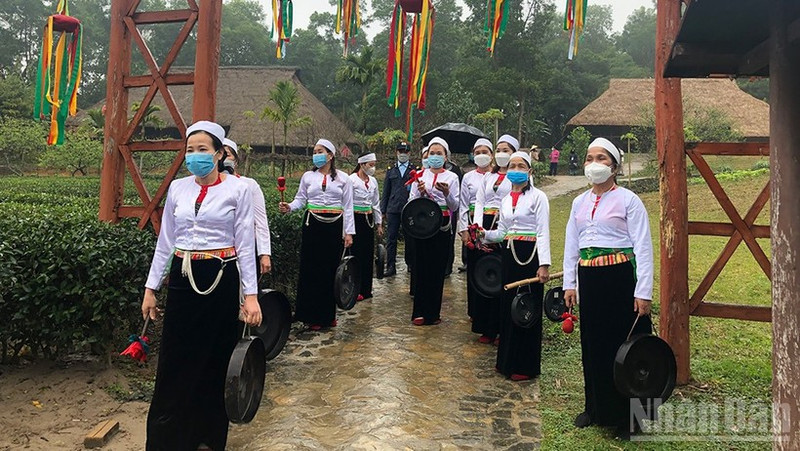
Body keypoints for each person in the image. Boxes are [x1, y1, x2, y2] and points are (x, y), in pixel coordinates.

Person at [141, 121, 261, 450]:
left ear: (220, 153)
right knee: (175, 359)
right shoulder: (178, 189)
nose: (195, 156)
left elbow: (244, 245)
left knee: (216, 359)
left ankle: (208, 437)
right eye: (190, 150)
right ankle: (168, 440)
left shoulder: (238, 190)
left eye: (202, 149)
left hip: (221, 278)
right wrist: (151, 289)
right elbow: (165, 242)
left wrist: (250, 296)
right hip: (183, 279)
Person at [563, 137, 653, 438]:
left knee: (624, 346)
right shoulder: (579, 202)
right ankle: (596, 408)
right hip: (589, 279)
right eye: (590, 158)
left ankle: (631, 419)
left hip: (620, 279)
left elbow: (643, 247)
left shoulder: (629, 200)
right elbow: (572, 245)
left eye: (601, 158)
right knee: (593, 343)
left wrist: (643, 292)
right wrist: (570, 284)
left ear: (614, 166)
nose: (594, 164)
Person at [482, 151, 550, 382]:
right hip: (509, 256)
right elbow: (502, 232)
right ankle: (506, 361)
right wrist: (483, 234)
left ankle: (525, 365)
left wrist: (544, 264)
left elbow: (543, 231)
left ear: (530, 171)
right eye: (512, 166)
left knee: (527, 307)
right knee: (509, 306)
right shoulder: (504, 200)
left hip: (530, 257)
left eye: (521, 166)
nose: (516, 170)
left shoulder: (539, 197)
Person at [279, 139, 355, 330]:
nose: (316, 155)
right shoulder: (308, 177)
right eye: (314, 151)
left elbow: (348, 207)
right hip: (312, 224)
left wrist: (348, 233)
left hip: (334, 226)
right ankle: (309, 315)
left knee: (330, 269)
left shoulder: (344, 179)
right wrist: (289, 207)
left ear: (330, 155)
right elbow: (300, 199)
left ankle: (328, 316)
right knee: (310, 268)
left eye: (320, 151)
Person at [407, 137, 460, 325]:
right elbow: (411, 202)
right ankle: (419, 312)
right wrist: (421, 192)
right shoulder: (419, 175)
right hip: (422, 225)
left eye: (439, 153)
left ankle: (433, 313)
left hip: (442, 224)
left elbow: (454, 206)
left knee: (437, 268)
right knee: (421, 266)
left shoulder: (452, 177)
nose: (435, 156)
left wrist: (446, 193)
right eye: (432, 153)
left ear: (446, 157)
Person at [470, 134, 516, 343]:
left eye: (506, 150)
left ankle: (500, 327)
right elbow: (480, 201)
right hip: (485, 224)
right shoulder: (488, 177)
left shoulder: (518, 176)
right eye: (499, 150)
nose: (501, 154)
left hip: (505, 225)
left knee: (501, 276)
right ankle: (485, 327)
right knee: (484, 274)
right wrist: (478, 227)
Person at [220, 138, 272, 276]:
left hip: (245, 250)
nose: (223, 158)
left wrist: (264, 254)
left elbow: (260, 221)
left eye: (227, 154)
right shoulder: (205, 187)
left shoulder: (249, 185)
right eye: (220, 154)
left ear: (236, 160)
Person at [458, 138, 493, 327]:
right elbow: (463, 205)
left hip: (494, 227)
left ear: (492, 155)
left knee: (491, 266)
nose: (481, 155)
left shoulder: (499, 176)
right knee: (474, 268)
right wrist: (464, 230)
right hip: (473, 226)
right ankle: (475, 311)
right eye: (477, 152)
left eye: (485, 152)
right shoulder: (468, 177)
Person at [349, 152, 383, 300]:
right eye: (370, 165)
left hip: (368, 219)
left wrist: (379, 223)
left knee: (367, 254)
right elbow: (347, 203)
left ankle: (366, 289)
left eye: (374, 165)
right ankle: (354, 289)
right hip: (355, 217)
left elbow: (376, 203)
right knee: (356, 253)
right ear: (362, 164)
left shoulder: (373, 181)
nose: (373, 168)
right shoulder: (351, 180)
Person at [380, 142, 415, 277]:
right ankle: (391, 266)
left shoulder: (414, 170)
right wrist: (383, 211)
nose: (403, 154)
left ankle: (410, 264)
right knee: (391, 238)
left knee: (410, 238)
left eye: (405, 152)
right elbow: (386, 192)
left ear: (409, 153)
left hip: (408, 209)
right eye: (400, 151)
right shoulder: (391, 170)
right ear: (396, 152)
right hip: (393, 208)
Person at [444, 149, 464, 277]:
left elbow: (459, 190)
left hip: (450, 210)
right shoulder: (425, 173)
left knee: (449, 239)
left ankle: (448, 266)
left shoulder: (455, 170)